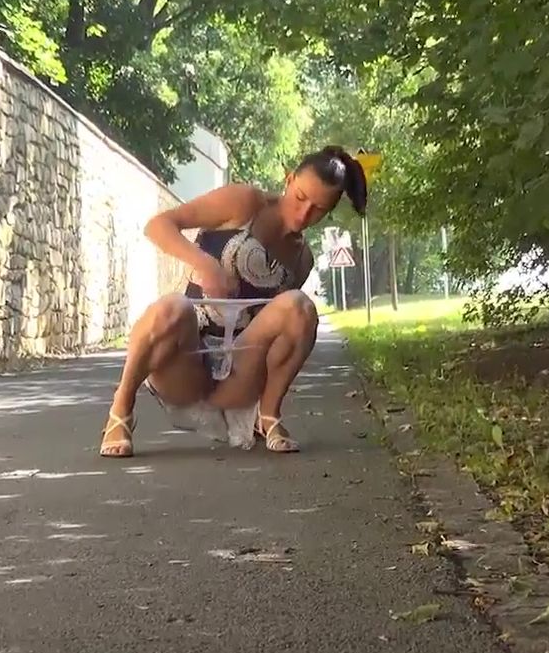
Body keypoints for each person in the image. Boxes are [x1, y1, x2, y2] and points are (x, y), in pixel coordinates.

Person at [99, 145, 369, 458]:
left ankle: (267, 416)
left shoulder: (302, 259)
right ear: (289, 179)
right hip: (186, 363)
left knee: (300, 307)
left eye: (319, 209)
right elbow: (159, 225)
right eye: (300, 197)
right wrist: (205, 264)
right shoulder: (245, 201)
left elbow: (281, 336)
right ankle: (121, 410)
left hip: (238, 375)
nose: (304, 213)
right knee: (171, 308)